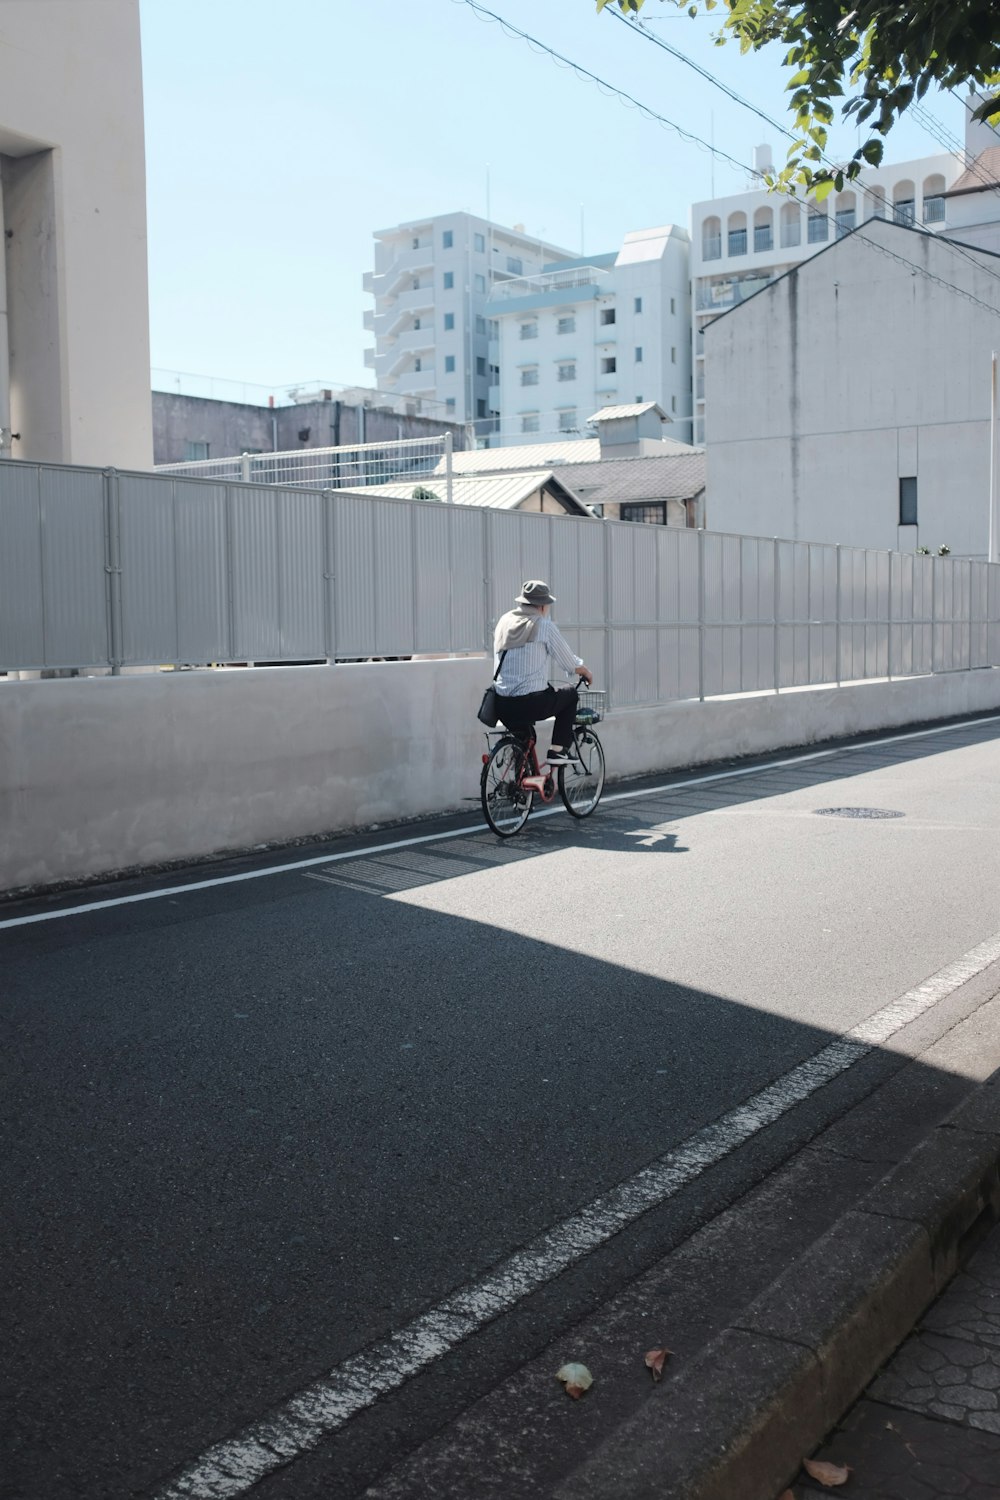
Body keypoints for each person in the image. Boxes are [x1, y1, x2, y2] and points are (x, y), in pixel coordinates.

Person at [492, 580, 593, 764]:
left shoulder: (504, 622)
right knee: (570, 694)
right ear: (542, 606)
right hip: (530, 703)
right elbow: (569, 662)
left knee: (525, 739)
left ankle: (521, 787)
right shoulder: (544, 626)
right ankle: (558, 751)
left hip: (501, 704)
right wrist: (584, 670)